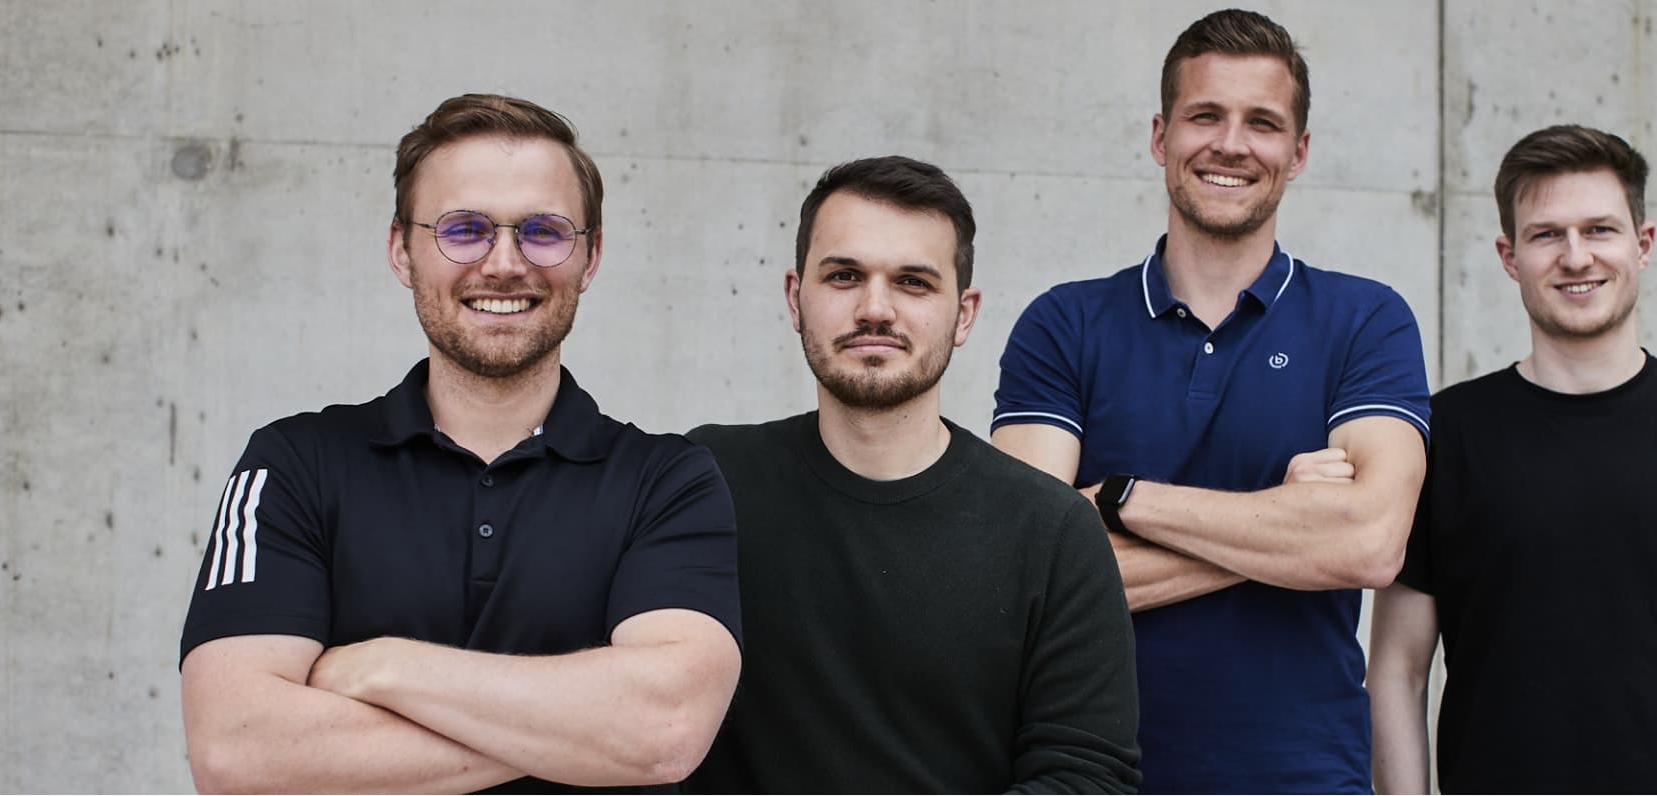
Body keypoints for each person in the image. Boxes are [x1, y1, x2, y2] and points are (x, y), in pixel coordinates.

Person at [178, 93, 743, 793]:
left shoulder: (669, 480)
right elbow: (238, 754)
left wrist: (381, 666)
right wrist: (583, 730)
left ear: (590, 256)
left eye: (544, 231)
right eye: (464, 229)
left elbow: (662, 731)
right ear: (401, 250)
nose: (504, 263)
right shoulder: (294, 465)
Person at [991, 9, 1431, 793]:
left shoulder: (1366, 319)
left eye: (1262, 123)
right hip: (1093, 775)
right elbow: (1022, 577)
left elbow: (1367, 546)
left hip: (1305, 776)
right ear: (1160, 137)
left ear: (1297, 154)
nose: (1231, 144)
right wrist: (1291, 532)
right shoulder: (1064, 323)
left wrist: (1122, 500)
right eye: (1205, 116)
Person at [1366, 124, 1657, 794]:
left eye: (1600, 229)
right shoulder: (1443, 434)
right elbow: (1398, 668)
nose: (1576, 256)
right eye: (1547, 234)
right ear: (1509, 255)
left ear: (1643, 244)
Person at [682, 156, 1141, 793]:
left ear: (966, 313)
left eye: (914, 283)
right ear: (796, 297)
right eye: (844, 276)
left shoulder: (1052, 531)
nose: (876, 309)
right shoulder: (704, 485)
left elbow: (1085, 778)